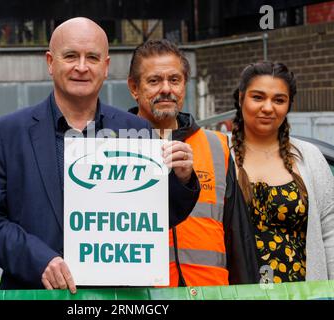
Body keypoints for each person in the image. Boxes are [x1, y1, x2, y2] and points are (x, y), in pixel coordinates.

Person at [0, 18, 200, 293]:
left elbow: (156, 219)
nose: (81, 67)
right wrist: (39, 260)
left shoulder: (135, 130)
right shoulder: (7, 133)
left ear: (106, 66)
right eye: (70, 56)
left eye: (92, 57)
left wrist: (182, 180)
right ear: (50, 62)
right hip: (35, 293)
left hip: (119, 298)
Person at [127, 39, 259, 286]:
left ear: (185, 84)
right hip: (146, 296)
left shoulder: (216, 146)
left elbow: (238, 236)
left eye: (174, 80)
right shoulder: (113, 146)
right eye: (154, 81)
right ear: (134, 88)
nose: (166, 89)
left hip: (209, 291)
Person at [231, 61, 334, 283]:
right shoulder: (220, 155)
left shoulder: (310, 157)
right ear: (241, 98)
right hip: (235, 293)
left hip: (305, 294)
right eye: (258, 97)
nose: (268, 107)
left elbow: (330, 233)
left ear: (288, 105)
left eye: (279, 100)